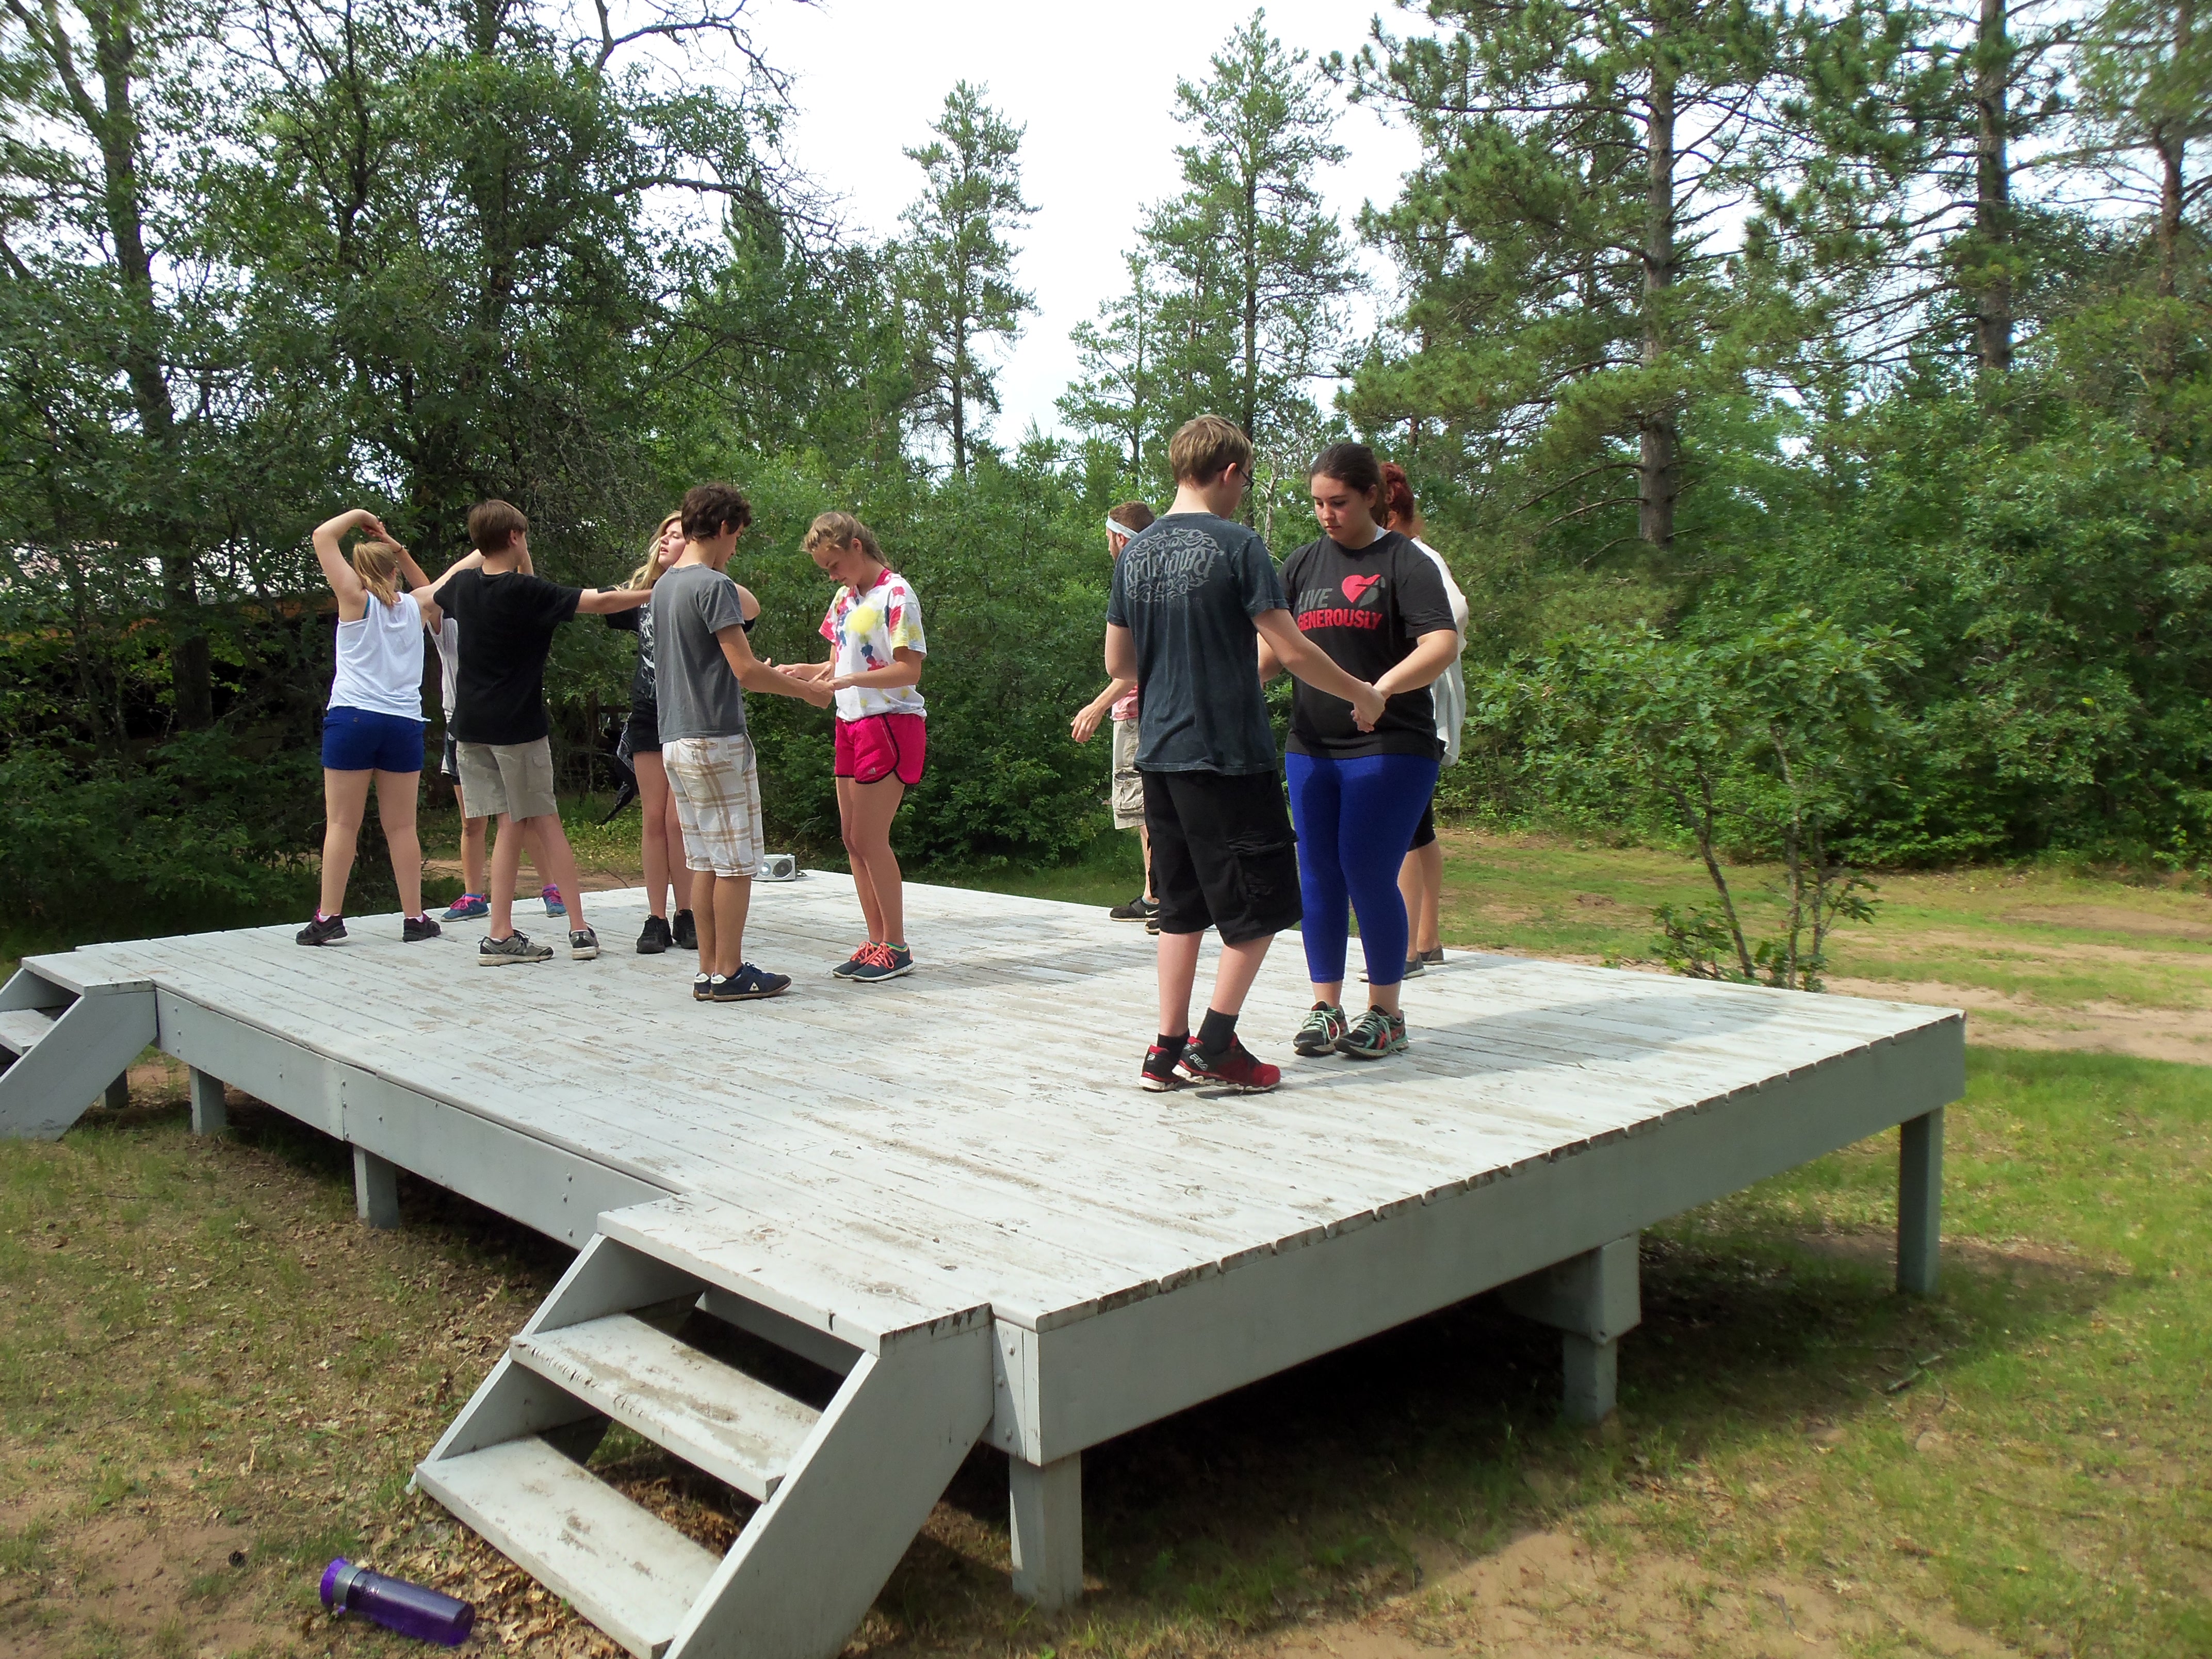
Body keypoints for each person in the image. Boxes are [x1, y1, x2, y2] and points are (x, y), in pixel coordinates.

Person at [1105, 415, 1386, 1093]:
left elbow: (1119, 662)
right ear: (1229, 472)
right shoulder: (1237, 544)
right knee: (1264, 902)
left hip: (1160, 754)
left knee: (1180, 907)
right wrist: (1362, 692)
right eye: (1245, 480)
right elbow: (1290, 649)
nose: (1242, 492)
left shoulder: (1136, 553)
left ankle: (1165, 1050)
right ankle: (1216, 1044)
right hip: (1226, 754)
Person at [1265, 443, 1461, 1061]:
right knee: (1318, 872)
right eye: (1317, 503)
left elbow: (1441, 644)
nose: (1327, 515)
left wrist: (1382, 690)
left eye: (1340, 502)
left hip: (1391, 744)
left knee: (1366, 869)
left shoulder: (1404, 562)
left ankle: (1387, 1013)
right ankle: (1326, 1007)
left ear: (1371, 496)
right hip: (1312, 746)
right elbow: (1274, 654)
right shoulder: (1301, 565)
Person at [419, 499, 650, 966]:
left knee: (520, 821)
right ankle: (550, 932)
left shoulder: (463, 586)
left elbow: (426, 596)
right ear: (515, 537)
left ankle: (525, 931)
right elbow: (602, 602)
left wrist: (480, 553)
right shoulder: (528, 591)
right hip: (517, 728)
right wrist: (656, 590)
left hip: (469, 729)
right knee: (532, 822)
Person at [654, 483, 830, 1001]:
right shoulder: (714, 586)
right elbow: (746, 670)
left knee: (706, 861)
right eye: (737, 538)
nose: (735, 549)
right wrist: (808, 692)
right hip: (716, 739)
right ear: (726, 527)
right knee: (735, 864)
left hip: (675, 740)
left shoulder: (665, 586)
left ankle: (710, 972)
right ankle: (730, 972)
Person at [780, 512, 928, 984]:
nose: (832, 575)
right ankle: (877, 941)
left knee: (870, 838)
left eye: (835, 564)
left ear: (856, 547)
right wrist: (803, 672)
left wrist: (848, 680)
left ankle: (897, 946)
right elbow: (835, 664)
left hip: (890, 722)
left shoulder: (896, 594)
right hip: (850, 722)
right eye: (825, 569)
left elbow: (908, 670)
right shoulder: (845, 598)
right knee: (851, 839)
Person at [607, 510, 760, 955]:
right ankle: (657, 917)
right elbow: (604, 604)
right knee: (656, 818)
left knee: (683, 824)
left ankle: (687, 914)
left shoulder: (708, 587)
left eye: (678, 535)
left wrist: (709, 569)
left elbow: (751, 609)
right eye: (664, 535)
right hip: (651, 712)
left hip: (690, 716)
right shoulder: (649, 594)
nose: (668, 541)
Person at [299, 509, 442, 946]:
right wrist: (395, 543)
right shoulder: (418, 607)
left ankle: (329, 917)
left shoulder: (354, 598)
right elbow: (432, 584)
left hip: (354, 718)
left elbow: (323, 535)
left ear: (359, 571)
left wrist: (361, 515)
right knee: (402, 827)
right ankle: (415, 918)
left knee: (343, 823)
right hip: (403, 724)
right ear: (394, 570)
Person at [1380, 462, 1469, 979]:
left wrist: (1405, 653)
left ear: (1388, 513)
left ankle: (1407, 950)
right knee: (1420, 826)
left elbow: (1455, 613)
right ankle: (1428, 938)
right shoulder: (1404, 556)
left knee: (1404, 829)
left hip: (1420, 713)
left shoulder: (1416, 558)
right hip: (1413, 713)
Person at [1071, 501, 1159, 928]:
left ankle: (1164, 896)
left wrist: (1096, 706)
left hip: (1140, 712)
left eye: (1108, 538)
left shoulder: (1136, 581)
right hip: (1148, 710)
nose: (1107, 545)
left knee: (1149, 809)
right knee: (1146, 811)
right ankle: (1154, 894)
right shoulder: (1158, 577)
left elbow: (1132, 667)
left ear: (1120, 538)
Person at [432, 614, 490, 923]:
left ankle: (551, 890)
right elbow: (425, 596)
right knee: (471, 822)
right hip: (460, 729)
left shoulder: (500, 615)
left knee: (524, 816)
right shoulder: (449, 626)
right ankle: (473, 897)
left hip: (501, 725)